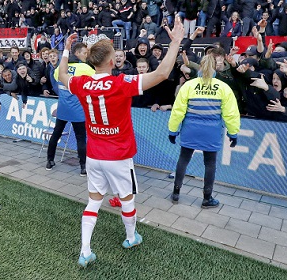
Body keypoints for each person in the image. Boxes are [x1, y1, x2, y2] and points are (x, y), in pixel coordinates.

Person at [58, 17, 185, 268]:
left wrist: (65, 50)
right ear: (109, 60)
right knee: (127, 201)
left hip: (94, 155)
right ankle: (131, 238)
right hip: (118, 155)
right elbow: (161, 73)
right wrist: (176, 42)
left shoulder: (82, 82)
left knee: (94, 201)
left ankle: (85, 250)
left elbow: (63, 74)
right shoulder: (121, 83)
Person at [168, 52, 241, 208]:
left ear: (201, 66)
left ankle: (176, 193)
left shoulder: (189, 85)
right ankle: (207, 199)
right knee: (210, 164)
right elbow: (231, 113)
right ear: (214, 67)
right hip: (212, 132)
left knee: (183, 159)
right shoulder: (223, 87)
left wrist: (172, 131)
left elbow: (177, 111)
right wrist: (233, 133)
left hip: (190, 130)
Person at [47, 43, 94, 175]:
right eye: (84, 53)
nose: (86, 55)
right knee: (81, 138)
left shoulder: (60, 68)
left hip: (62, 108)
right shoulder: (85, 68)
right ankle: (83, 167)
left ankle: (49, 161)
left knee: (55, 135)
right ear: (77, 53)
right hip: (78, 110)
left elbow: (56, 81)